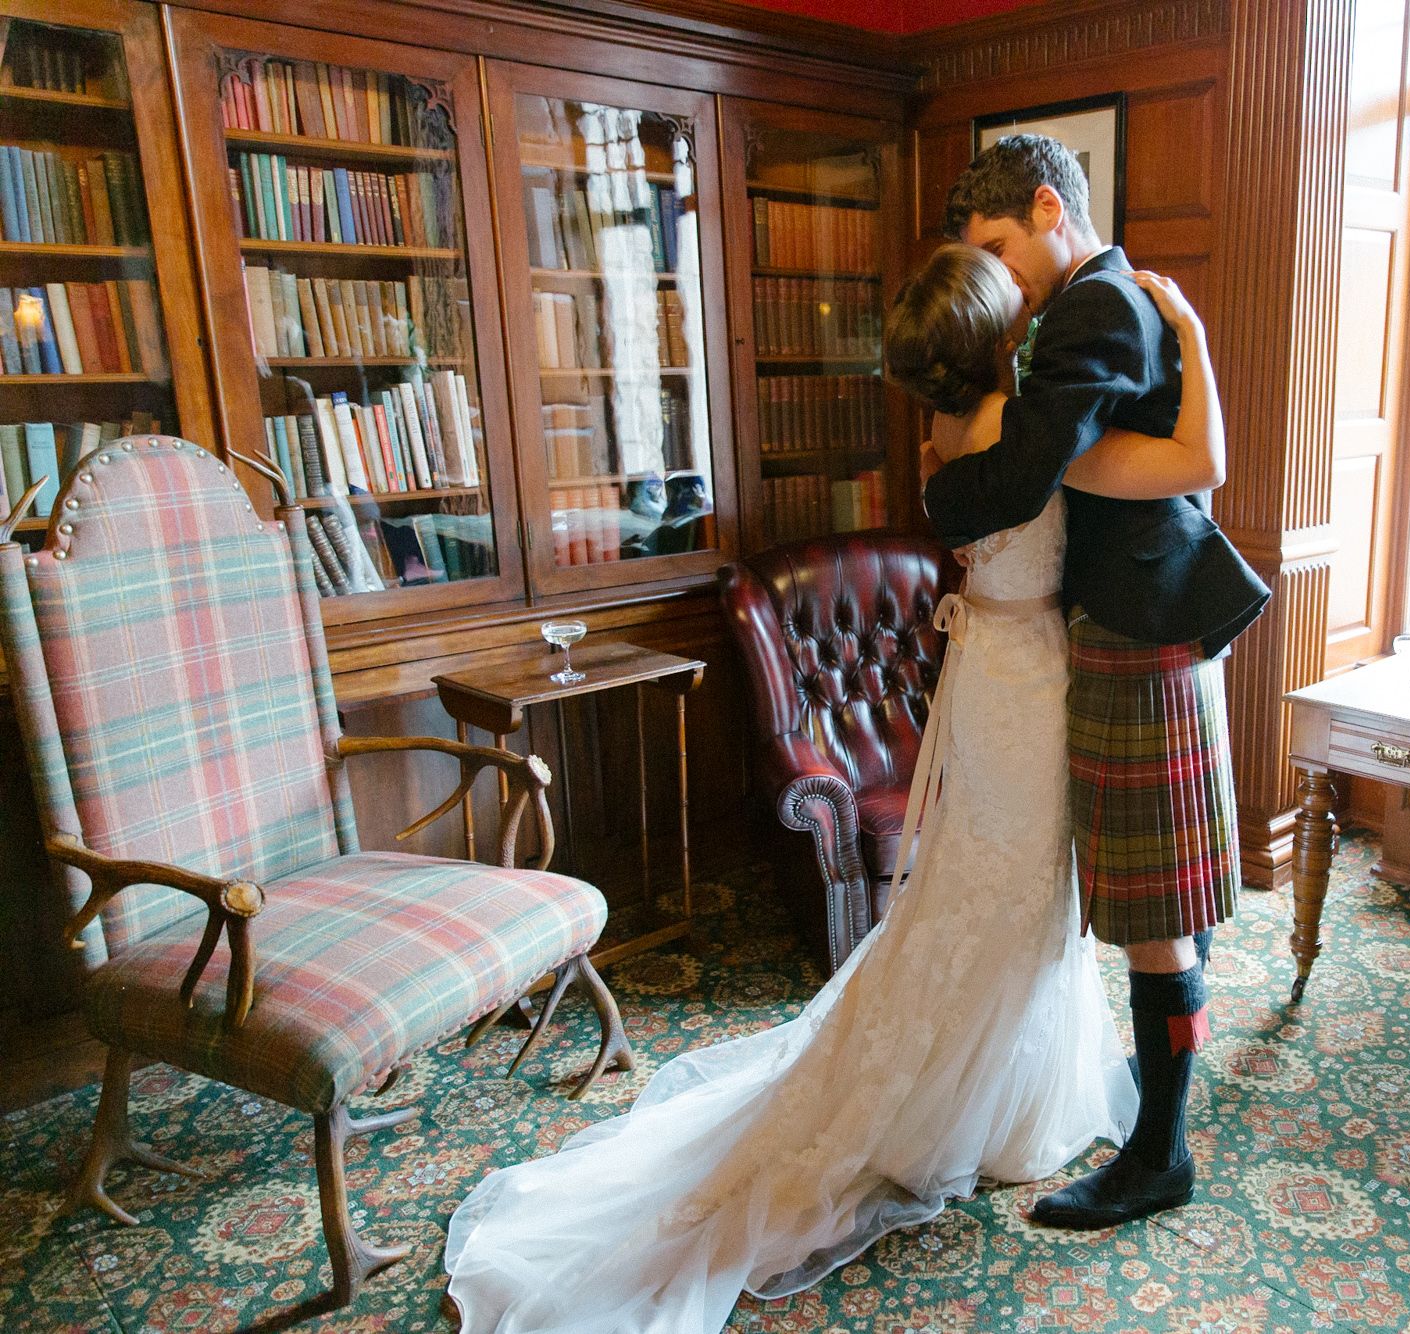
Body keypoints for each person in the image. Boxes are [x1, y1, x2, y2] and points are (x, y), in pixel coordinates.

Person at [441, 241, 1233, 1333]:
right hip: (1028, 685)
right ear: (1004, 339)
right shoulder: (1035, 442)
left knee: (1003, 899)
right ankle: (965, 1105)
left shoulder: (958, 440)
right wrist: (1185, 334)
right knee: (1006, 896)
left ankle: (999, 1095)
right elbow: (1190, 461)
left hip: (1006, 676)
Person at [924, 134, 1270, 1229]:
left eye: (995, 248)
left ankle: (1157, 1152)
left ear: (1043, 207)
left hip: (1132, 631)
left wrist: (940, 490)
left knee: (1152, 914)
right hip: (1142, 617)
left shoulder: (1087, 308)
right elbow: (1144, 457)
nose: (994, 276)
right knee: (1162, 908)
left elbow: (1026, 470)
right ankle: (1158, 1108)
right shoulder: (1102, 299)